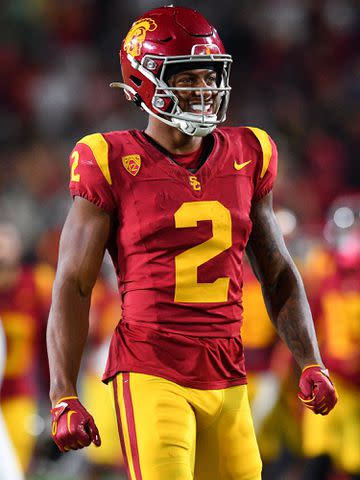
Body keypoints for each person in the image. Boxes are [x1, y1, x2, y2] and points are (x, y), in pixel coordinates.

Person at [47, 6, 337, 480]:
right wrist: (63, 393)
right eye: (187, 77)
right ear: (143, 80)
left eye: (209, 75)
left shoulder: (250, 152)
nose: (203, 89)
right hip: (151, 368)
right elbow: (74, 285)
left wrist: (311, 360)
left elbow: (278, 269)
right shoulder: (109, 158)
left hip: (229, 371)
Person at [301, 195, 360, 480]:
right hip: (332, 382)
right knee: (317, 460)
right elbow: (312, 327)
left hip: (355, 389)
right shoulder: (327, 278)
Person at [0, 222, 54, 474]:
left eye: (7, 264)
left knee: (13, 467)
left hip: (18, 393)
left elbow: (49, 344)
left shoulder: (36, 286)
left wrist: (54, 392)